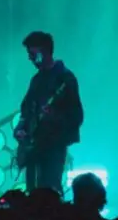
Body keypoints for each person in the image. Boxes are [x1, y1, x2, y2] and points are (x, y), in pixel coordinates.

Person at [15, 31, 83, 193]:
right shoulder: (37, 79)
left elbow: (77, 116)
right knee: (32, 191)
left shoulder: (65, 79)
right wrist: (20, 128)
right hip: (33, 146)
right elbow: (26, 110)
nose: (30, 58)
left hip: (53, 145)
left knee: (50, 191)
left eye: (32, 53)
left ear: (44, 51)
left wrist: (54, 117)